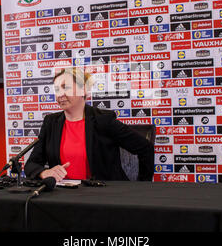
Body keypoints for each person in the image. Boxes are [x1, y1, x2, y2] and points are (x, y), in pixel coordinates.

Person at [24, 67, 154, 181]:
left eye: (66, 87)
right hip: (62, 196)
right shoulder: (50, 122)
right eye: (57, 89)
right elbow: (31, 164)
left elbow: (145, 148)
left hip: (102, 196)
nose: (60, 94)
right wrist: (44, 172)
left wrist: (142, 187)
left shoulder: (103, 120)